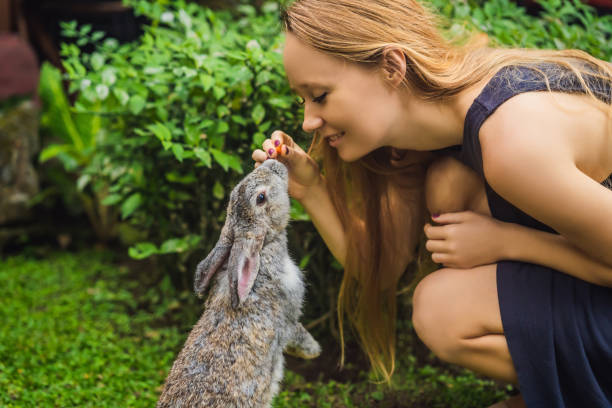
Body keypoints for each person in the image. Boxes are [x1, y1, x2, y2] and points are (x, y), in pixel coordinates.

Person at [250, 0, 612, 406]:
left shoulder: (511, 140)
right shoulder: (430, 139)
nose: (308, 121)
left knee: (443, 308)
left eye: (320, 95)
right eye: (303, 101)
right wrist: (311, 189)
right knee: (448, 188)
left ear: (392, 67)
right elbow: (378, 265)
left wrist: (506, 243)